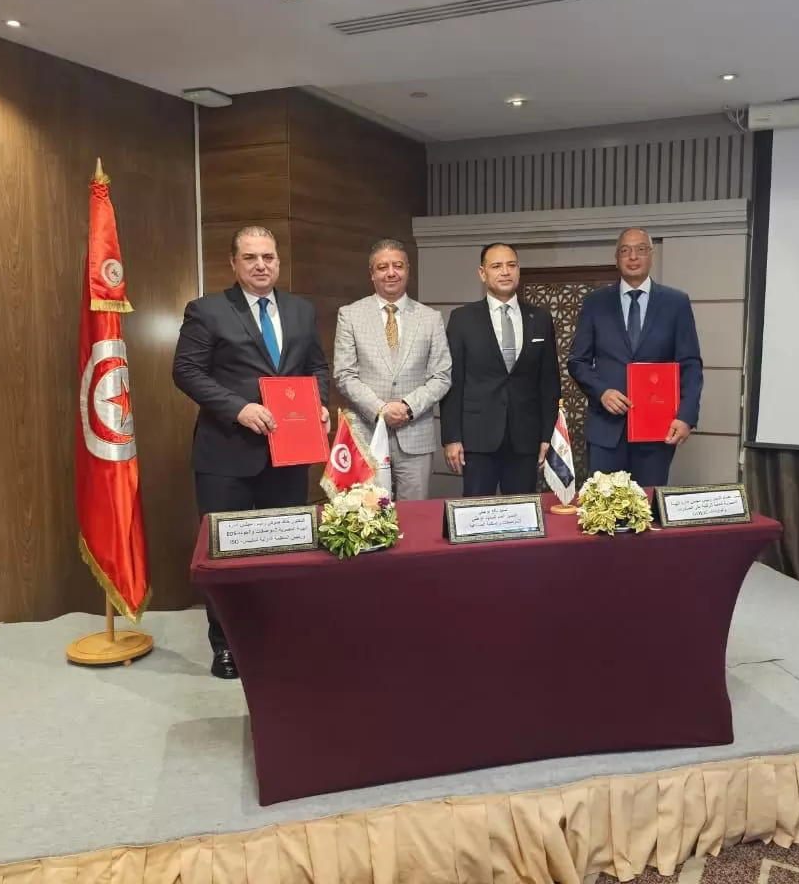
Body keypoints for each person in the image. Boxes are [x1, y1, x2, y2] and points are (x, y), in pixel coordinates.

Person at [172, 225, 330, 679]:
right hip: (227, 456)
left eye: (268, 257)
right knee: (227, 552)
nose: (261, 265)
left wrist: (318, 404)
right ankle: (226, 645)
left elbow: (317, 367)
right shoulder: (207, 310)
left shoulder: (301, 310)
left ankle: (279, 636)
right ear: (233, 262)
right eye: (250, 257)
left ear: (278, 260)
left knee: (285, 549)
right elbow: (186, 371)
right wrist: (237, 409)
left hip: (288, 454)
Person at [566, 228, 702, 487]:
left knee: (647, 506)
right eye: (625, 251)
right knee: (603, 506)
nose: (633, 257)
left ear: (651, 255)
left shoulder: (676, 303)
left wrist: (686, 416)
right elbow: (577, 361)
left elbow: (690, 364)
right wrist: (602, 392)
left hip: (657, 429)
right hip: (606, 429)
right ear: (616, 258)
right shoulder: (595, 303)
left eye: (640, 249)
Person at [333, 239, 451, 501]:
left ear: (408, 269)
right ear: (371, 273)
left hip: (415, 435)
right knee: (368, 514)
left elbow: (441, 376)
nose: (391, 273)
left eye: (398, 266)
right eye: (382, 267)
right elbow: (345, 374)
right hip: (367, 435)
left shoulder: (430, 318)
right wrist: (381, 409)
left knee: (415, 516)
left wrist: (408, 407)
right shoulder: (350, 315)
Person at [441, 243, 560, 497]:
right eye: (496, 266)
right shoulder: (462, 319)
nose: (505, 272)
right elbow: (453, 382)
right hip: (477, 438)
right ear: (482, 273)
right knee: (476, 511)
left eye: (511, 265)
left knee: (522, 511)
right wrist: (451, 437)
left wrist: (547, 436)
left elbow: (549, 382)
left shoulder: (540, 318)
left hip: (525, 438)